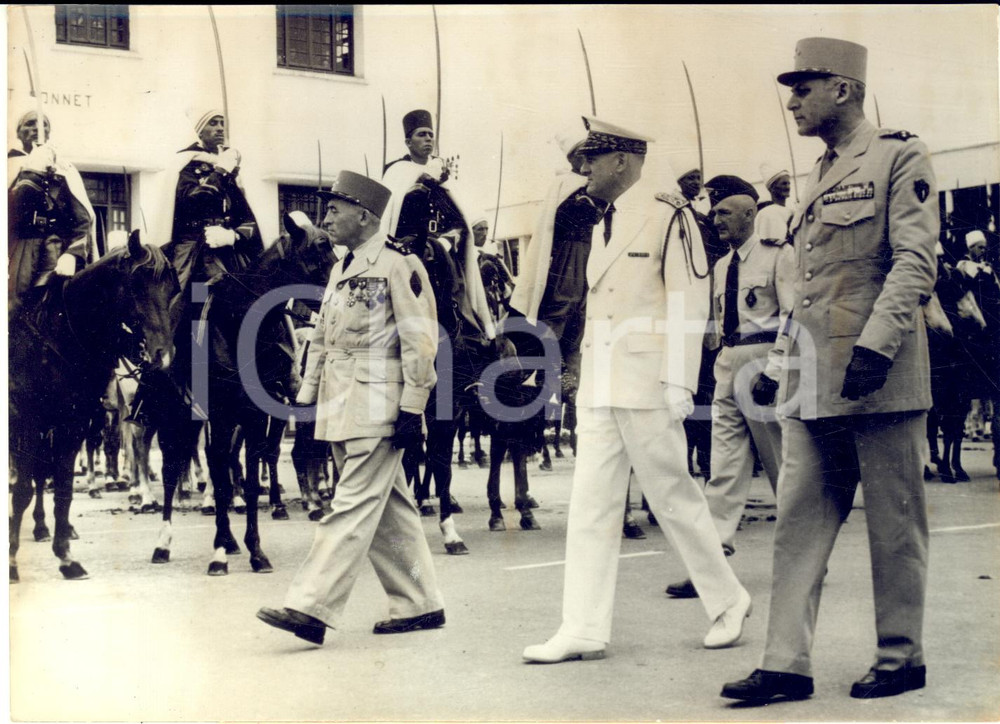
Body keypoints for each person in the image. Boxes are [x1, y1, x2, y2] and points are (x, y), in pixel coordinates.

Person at [722, 37, 938, 702]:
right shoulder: (816, 176)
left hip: (880, 378)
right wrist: (781, 364)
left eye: (804, 86)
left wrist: (876, 346)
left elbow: (914, 259)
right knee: (797, 524)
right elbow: (806, 289)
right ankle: (785, 663)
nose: (793, 100)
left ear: (842, 89)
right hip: (812, 383)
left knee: (893, 528)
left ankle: (902, 656)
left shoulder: (900, 156)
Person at [522, 117, 752, 665]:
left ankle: (728, 599)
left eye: (592, 160)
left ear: (622, 161)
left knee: (673, 497)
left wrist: (677, 380)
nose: (583, 171)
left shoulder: (667, 216)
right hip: (602, 380)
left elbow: (688, 300)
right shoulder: (603, 220)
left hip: (647, 381)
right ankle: (581, 627)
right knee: (590, 506)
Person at [257, 170, 444, 646]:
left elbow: (420, 341)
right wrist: (306, 401)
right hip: (342, 404)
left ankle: (310, 607)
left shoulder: (400, 264)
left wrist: (412, 406)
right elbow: (321, 341)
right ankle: (420, 603)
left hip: (378, 404)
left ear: (364, 215)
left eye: (335, 210)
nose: (327, 219)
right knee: (388, 509)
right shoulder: (343, 267)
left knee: (351, 505)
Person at [665, 175, 793, 598]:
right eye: (713, 211)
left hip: (764, 364)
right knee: (723, 466)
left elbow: (793, 317)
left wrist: (775, 371)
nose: (715, 218)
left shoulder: (780, 257)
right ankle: (712, 563)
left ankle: (803, 554)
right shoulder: (721, 266)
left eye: (723, 212)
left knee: (782, 466)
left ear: (750, 213)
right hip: (728, 362)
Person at [7, 111, 95, 314]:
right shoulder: (9, 165)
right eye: (30, 124)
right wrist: (33, 171)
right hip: (17, 249)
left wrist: (73, 254)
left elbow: (83, 221)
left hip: (55, 251)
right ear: (19, 133)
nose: (39, 128)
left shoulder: (64, 169)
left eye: (44, 125)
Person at [755, 164, 794, 243]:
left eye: (788, 183)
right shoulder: (766, 213)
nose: (788, 187)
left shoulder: (792, 211)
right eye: (784, 183)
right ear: (772, 188)